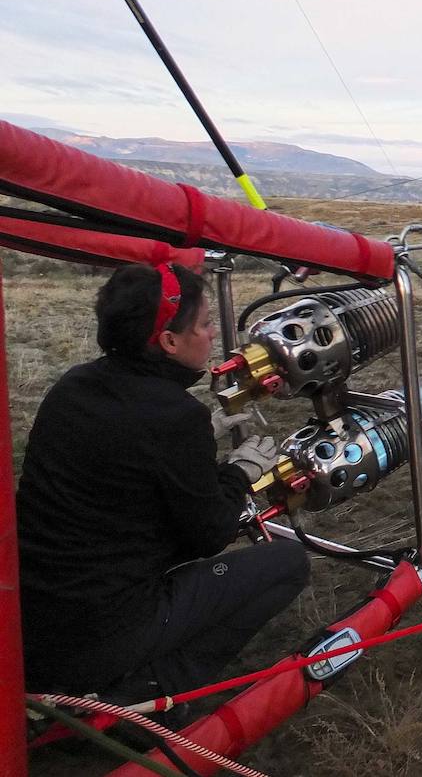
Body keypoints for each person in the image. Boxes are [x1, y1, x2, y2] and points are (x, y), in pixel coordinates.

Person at [17, 261, 310, 702]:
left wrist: (197, 439)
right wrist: (239, 473)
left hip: (28, 623)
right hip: (100, 635)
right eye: (206, 325)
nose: (214, 335)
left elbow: (123, 459)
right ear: (169, 340)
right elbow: (210, 533)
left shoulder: (73, 386)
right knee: (288, 563)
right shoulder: (174, 417)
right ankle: (154, 694)